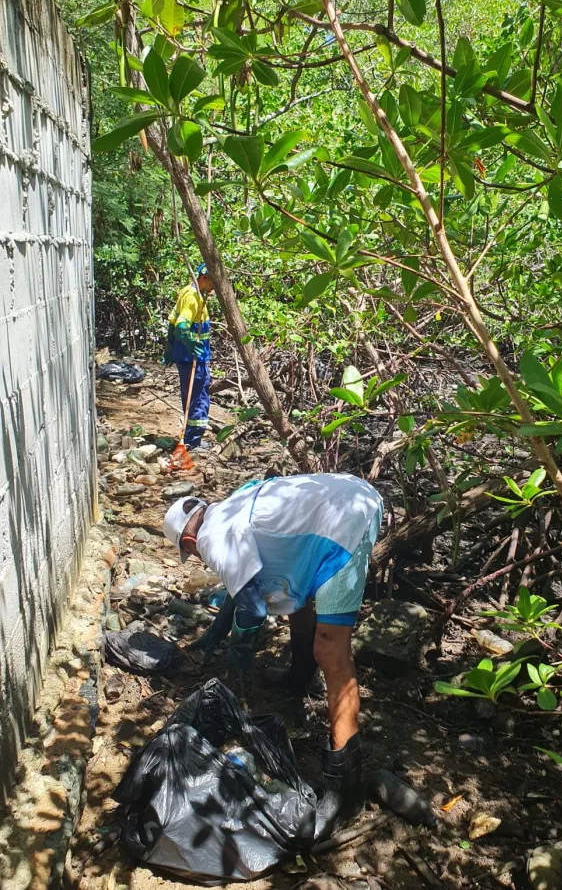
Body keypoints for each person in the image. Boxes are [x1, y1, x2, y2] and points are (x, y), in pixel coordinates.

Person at [163, 473, 383, 836]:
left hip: (346, 522)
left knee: (331, 650)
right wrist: (215, 633)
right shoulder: (227, 508)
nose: (198, 559)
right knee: (297, 600)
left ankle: (346, 790)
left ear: (189, 540)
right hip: (348, 497)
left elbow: (251, 609)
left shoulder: (213, 537)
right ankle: (299, 677)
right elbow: (244, 583)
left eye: (191, 554)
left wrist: (238, 666)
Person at [164, 263, 215, 449]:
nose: (214, 288)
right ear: (204, 278)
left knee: (191, 396)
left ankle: (190, 437)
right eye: (212, 283)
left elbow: (172, 321)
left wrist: (169, 347)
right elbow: (181, 325)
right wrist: (190, 343)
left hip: (184, 356)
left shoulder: (187, 291)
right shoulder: (194, 299)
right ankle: (193, 441)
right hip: (193, 358)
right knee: (198, 396)